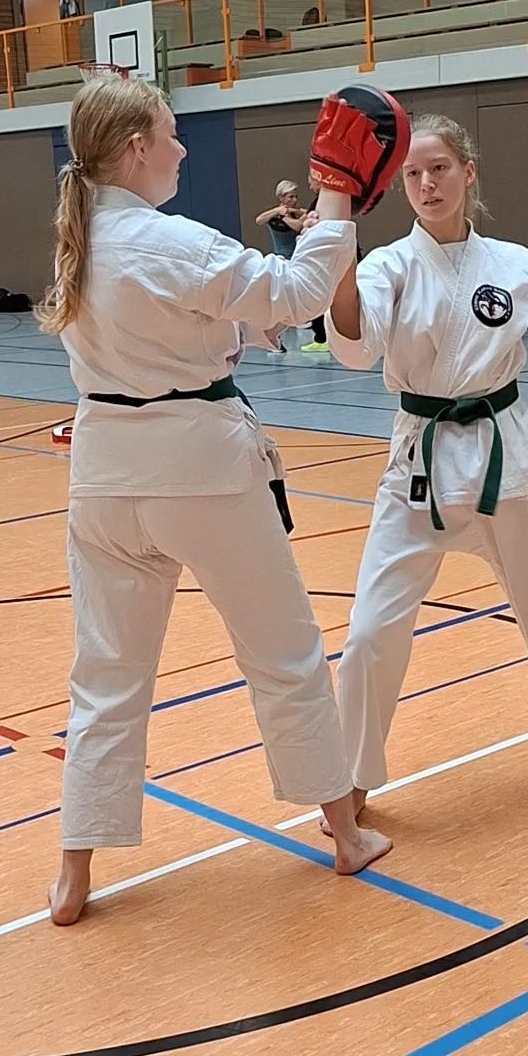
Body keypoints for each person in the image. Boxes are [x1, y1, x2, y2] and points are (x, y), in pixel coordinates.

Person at [40, 74, 396, 926]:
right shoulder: (169, 240)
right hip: (200, 469)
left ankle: (73, 875)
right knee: (284, 654)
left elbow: (194, 321)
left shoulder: (81, 240)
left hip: (105, 477)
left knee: (105, 677)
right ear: (137, 148)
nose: (181, 148)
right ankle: (346, 836)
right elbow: (300, 296)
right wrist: (336, 192)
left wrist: (242, 323)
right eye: (171, 134)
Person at [324, 113, 528, 822]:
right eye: (413, 174)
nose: (426, 184)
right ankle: (352, 774)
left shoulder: (515, 266)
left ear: (468, 172)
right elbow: (354, 347)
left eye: (439, 168)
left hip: (504, 455)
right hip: (420, 460)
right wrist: (337, 252)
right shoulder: (388, 266)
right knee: (370, 630)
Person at [255, 177, 328, 353]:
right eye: (290, 197)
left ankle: (289, 329)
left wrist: (299, 212)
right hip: (283, 262)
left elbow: (300, 222)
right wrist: (279, 211)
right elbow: (261, 220)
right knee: (283, 303)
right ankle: (272, 335)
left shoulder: (291, 214)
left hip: (297, 262)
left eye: (295, 196)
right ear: (281, 197)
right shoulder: (278, 217)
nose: (294, 200)